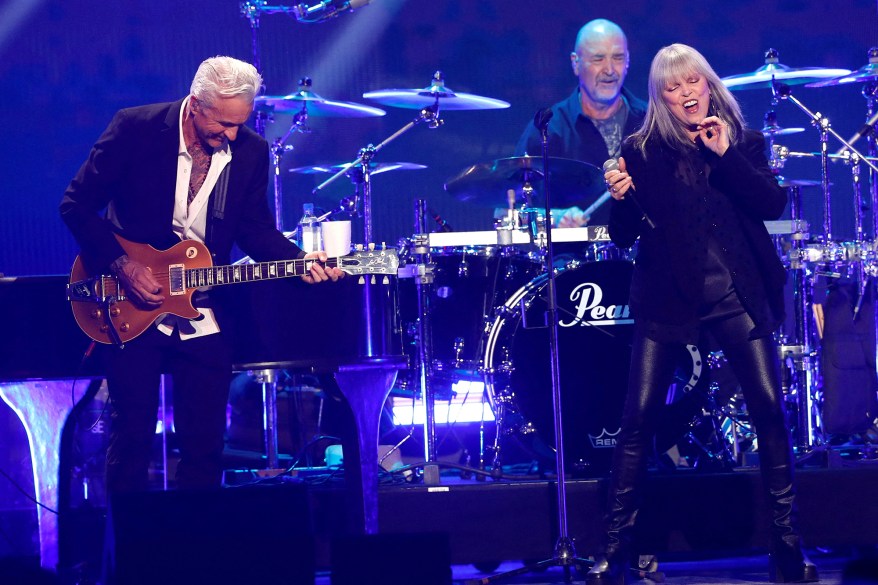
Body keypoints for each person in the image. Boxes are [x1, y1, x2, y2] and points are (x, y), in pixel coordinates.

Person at [59, 56, 344, 493]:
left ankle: (198, 548)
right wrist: (123, 265)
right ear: (195, 105)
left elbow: (254, 229)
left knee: (206, 443)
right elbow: (76, 205)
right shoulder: (135, 128)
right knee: (132, 436)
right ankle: (131, 553)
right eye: (223, 124)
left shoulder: (250, 150)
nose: (231, 135)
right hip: (130, 304)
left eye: (239, 123)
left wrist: (301, 260)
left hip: (201, 309)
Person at [594, 44, 818, 584]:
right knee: (637, 421)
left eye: (693, 81)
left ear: (709, 84)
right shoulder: (641, 151)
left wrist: (726, 155)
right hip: (667, 298)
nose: (686, 93)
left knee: (768, 409)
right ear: (661, 98)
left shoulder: (742, 141)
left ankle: (787, 545)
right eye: (672, 88)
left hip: (738, 294)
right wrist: (621, 198)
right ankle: (619, 549)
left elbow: (771, 205)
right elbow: (624, 237)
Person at [513, 18, 646, 228]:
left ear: (628, 61)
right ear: (576, 63)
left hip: (644, 253)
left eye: (618, 58)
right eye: (598, 59)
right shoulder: (549, 128)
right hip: (573, 257)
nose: (610, 69)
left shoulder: (650, 121)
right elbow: (509, 209)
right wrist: (554, 219)